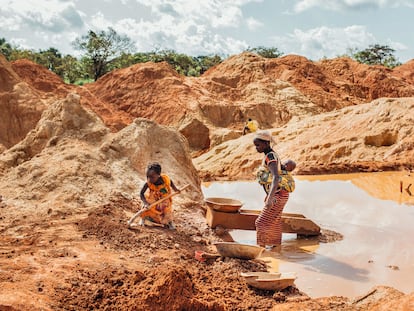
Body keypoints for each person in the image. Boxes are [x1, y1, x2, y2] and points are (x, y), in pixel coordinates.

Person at [253, 130, 290, 251]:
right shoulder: (272, 155)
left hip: (278, 195)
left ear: (266, 144)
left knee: (260, 223)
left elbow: (276, 177)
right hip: (281, 194)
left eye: (258, 145)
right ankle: (276, 249)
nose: (256, 148)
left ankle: (261, 251)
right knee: (275, 221)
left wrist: (270, 198)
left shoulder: (270, 157)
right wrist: (269, 194)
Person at [139, 162, 180, 229]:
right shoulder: (148, 183)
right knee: (147, 205)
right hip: (153, 197)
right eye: (147, 176)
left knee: (167, 209)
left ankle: (170, 222)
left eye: (152, 177)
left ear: (158, 175)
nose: (149, 179)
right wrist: (145, 203)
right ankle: (143, 218)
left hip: (164, 197)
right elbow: (141, 193)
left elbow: (171, 182)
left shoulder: (165, 179)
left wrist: (175, 189)